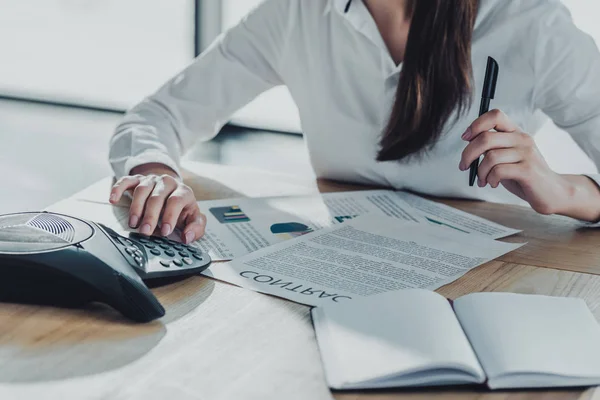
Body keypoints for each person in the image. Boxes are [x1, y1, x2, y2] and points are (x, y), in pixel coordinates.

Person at [108, 0, 600, 244]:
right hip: (335, 268)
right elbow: (157, 115)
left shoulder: (532, 25)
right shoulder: (297, 13)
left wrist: (567, 192)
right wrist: (158, 175)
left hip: (499, 285)